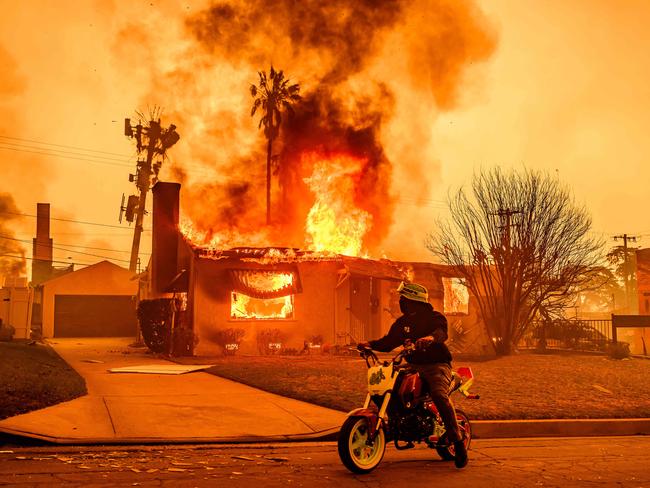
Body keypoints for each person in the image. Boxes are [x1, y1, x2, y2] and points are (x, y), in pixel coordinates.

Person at [357, 281, 468, 469]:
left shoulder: (435, 317)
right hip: (413, 365)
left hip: (436, 365)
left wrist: (431, 338)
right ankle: (398, 424)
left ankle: (458, 442)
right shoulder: (402, 323)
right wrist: (369, 344)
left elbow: (441, 333)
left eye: (404, 299)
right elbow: (388, 342)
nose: (401, 302)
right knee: (389, 389)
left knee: (439, 396)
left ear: (414, 300)